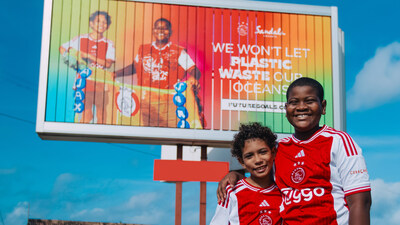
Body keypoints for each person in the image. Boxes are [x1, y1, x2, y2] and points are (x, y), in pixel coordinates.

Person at [217, 77, 372, 225]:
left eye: (310, 101)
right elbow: (259, 175)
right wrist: (236, 175)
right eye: (294, 102)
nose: (301, 107)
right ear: (286, 109)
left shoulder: (339, 141)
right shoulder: (278, 149)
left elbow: (361, 202)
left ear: (323, 107)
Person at [115, 18, 204, 128]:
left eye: (165, 28)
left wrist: (193, 78)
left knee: (172, 135)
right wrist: (115, 74)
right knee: (148, 136)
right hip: (147, 103)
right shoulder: (144, 49)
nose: (161, 30)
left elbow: (194, 69)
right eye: (157, 28)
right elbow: (134, 67)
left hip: (171, 103)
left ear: (170, 32)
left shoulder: (178, 51)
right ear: (153, 30)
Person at [210, 122, 282, 225]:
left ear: (273, 153)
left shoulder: (284, 191)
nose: (257, 160)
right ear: (242, 162)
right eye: (249, 156)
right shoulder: (232, 191)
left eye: (263, 152)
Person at [59, 11, 115, 124]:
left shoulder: (109, 43)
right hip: (83, 84)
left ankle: (102, 139)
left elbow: (108, 64)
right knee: (85, 117)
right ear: (91, 24)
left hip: (100, 86)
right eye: (98, 21)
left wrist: (88, 55)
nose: (101, 24)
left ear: (108, 26)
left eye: (104, 22)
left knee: (102, 117)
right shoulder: (81, 38)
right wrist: (71, 61)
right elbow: (62, 48)